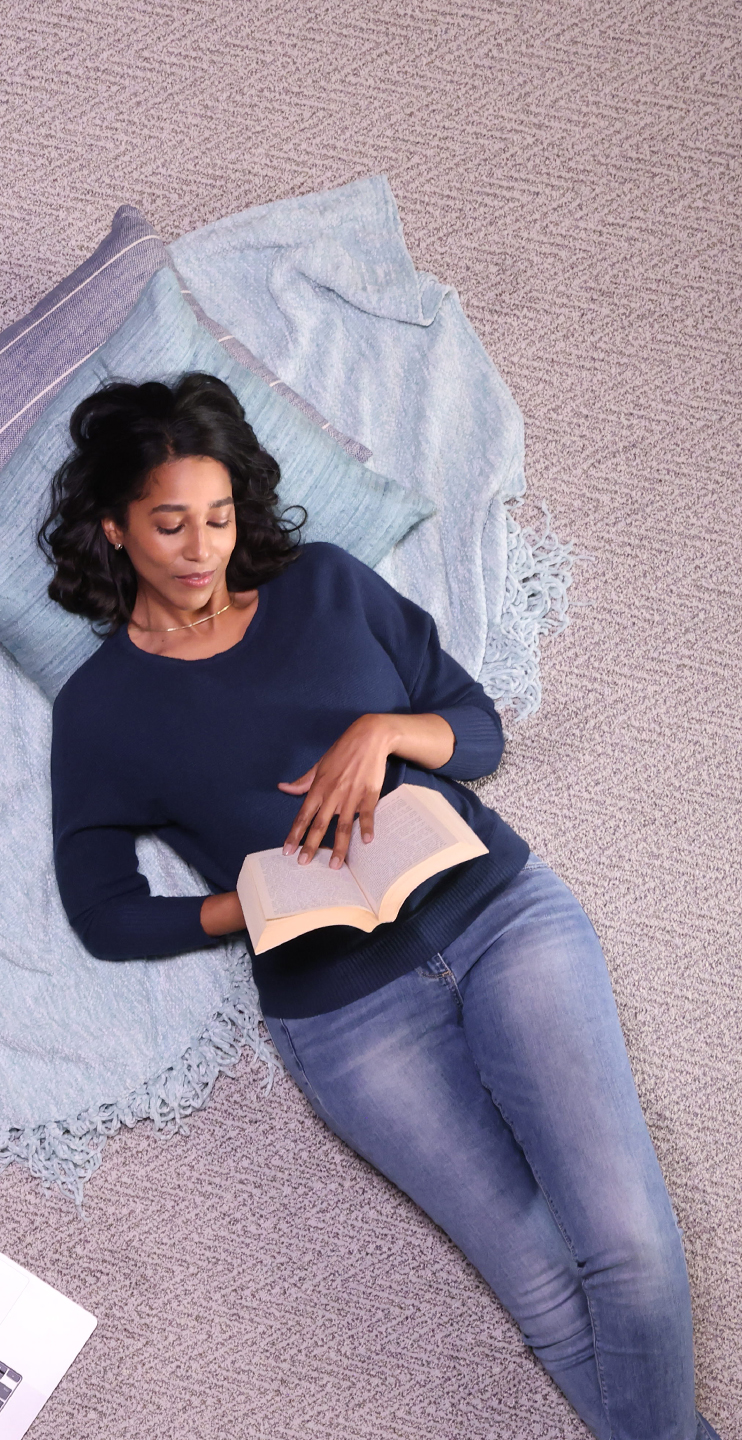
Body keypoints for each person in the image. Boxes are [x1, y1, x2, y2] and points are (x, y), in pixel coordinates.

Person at [41, 372, 719, 1440]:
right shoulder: (97, 712)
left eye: (217, 518)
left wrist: (383, 734)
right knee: (540, 1285)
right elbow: (102, 911)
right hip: (347, 1020)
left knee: (625, 1245)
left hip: (500, 919)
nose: (199, 549)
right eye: (167, 524)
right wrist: (246, 905)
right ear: (112, 528)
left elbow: (474, 730)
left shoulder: (322, 586)